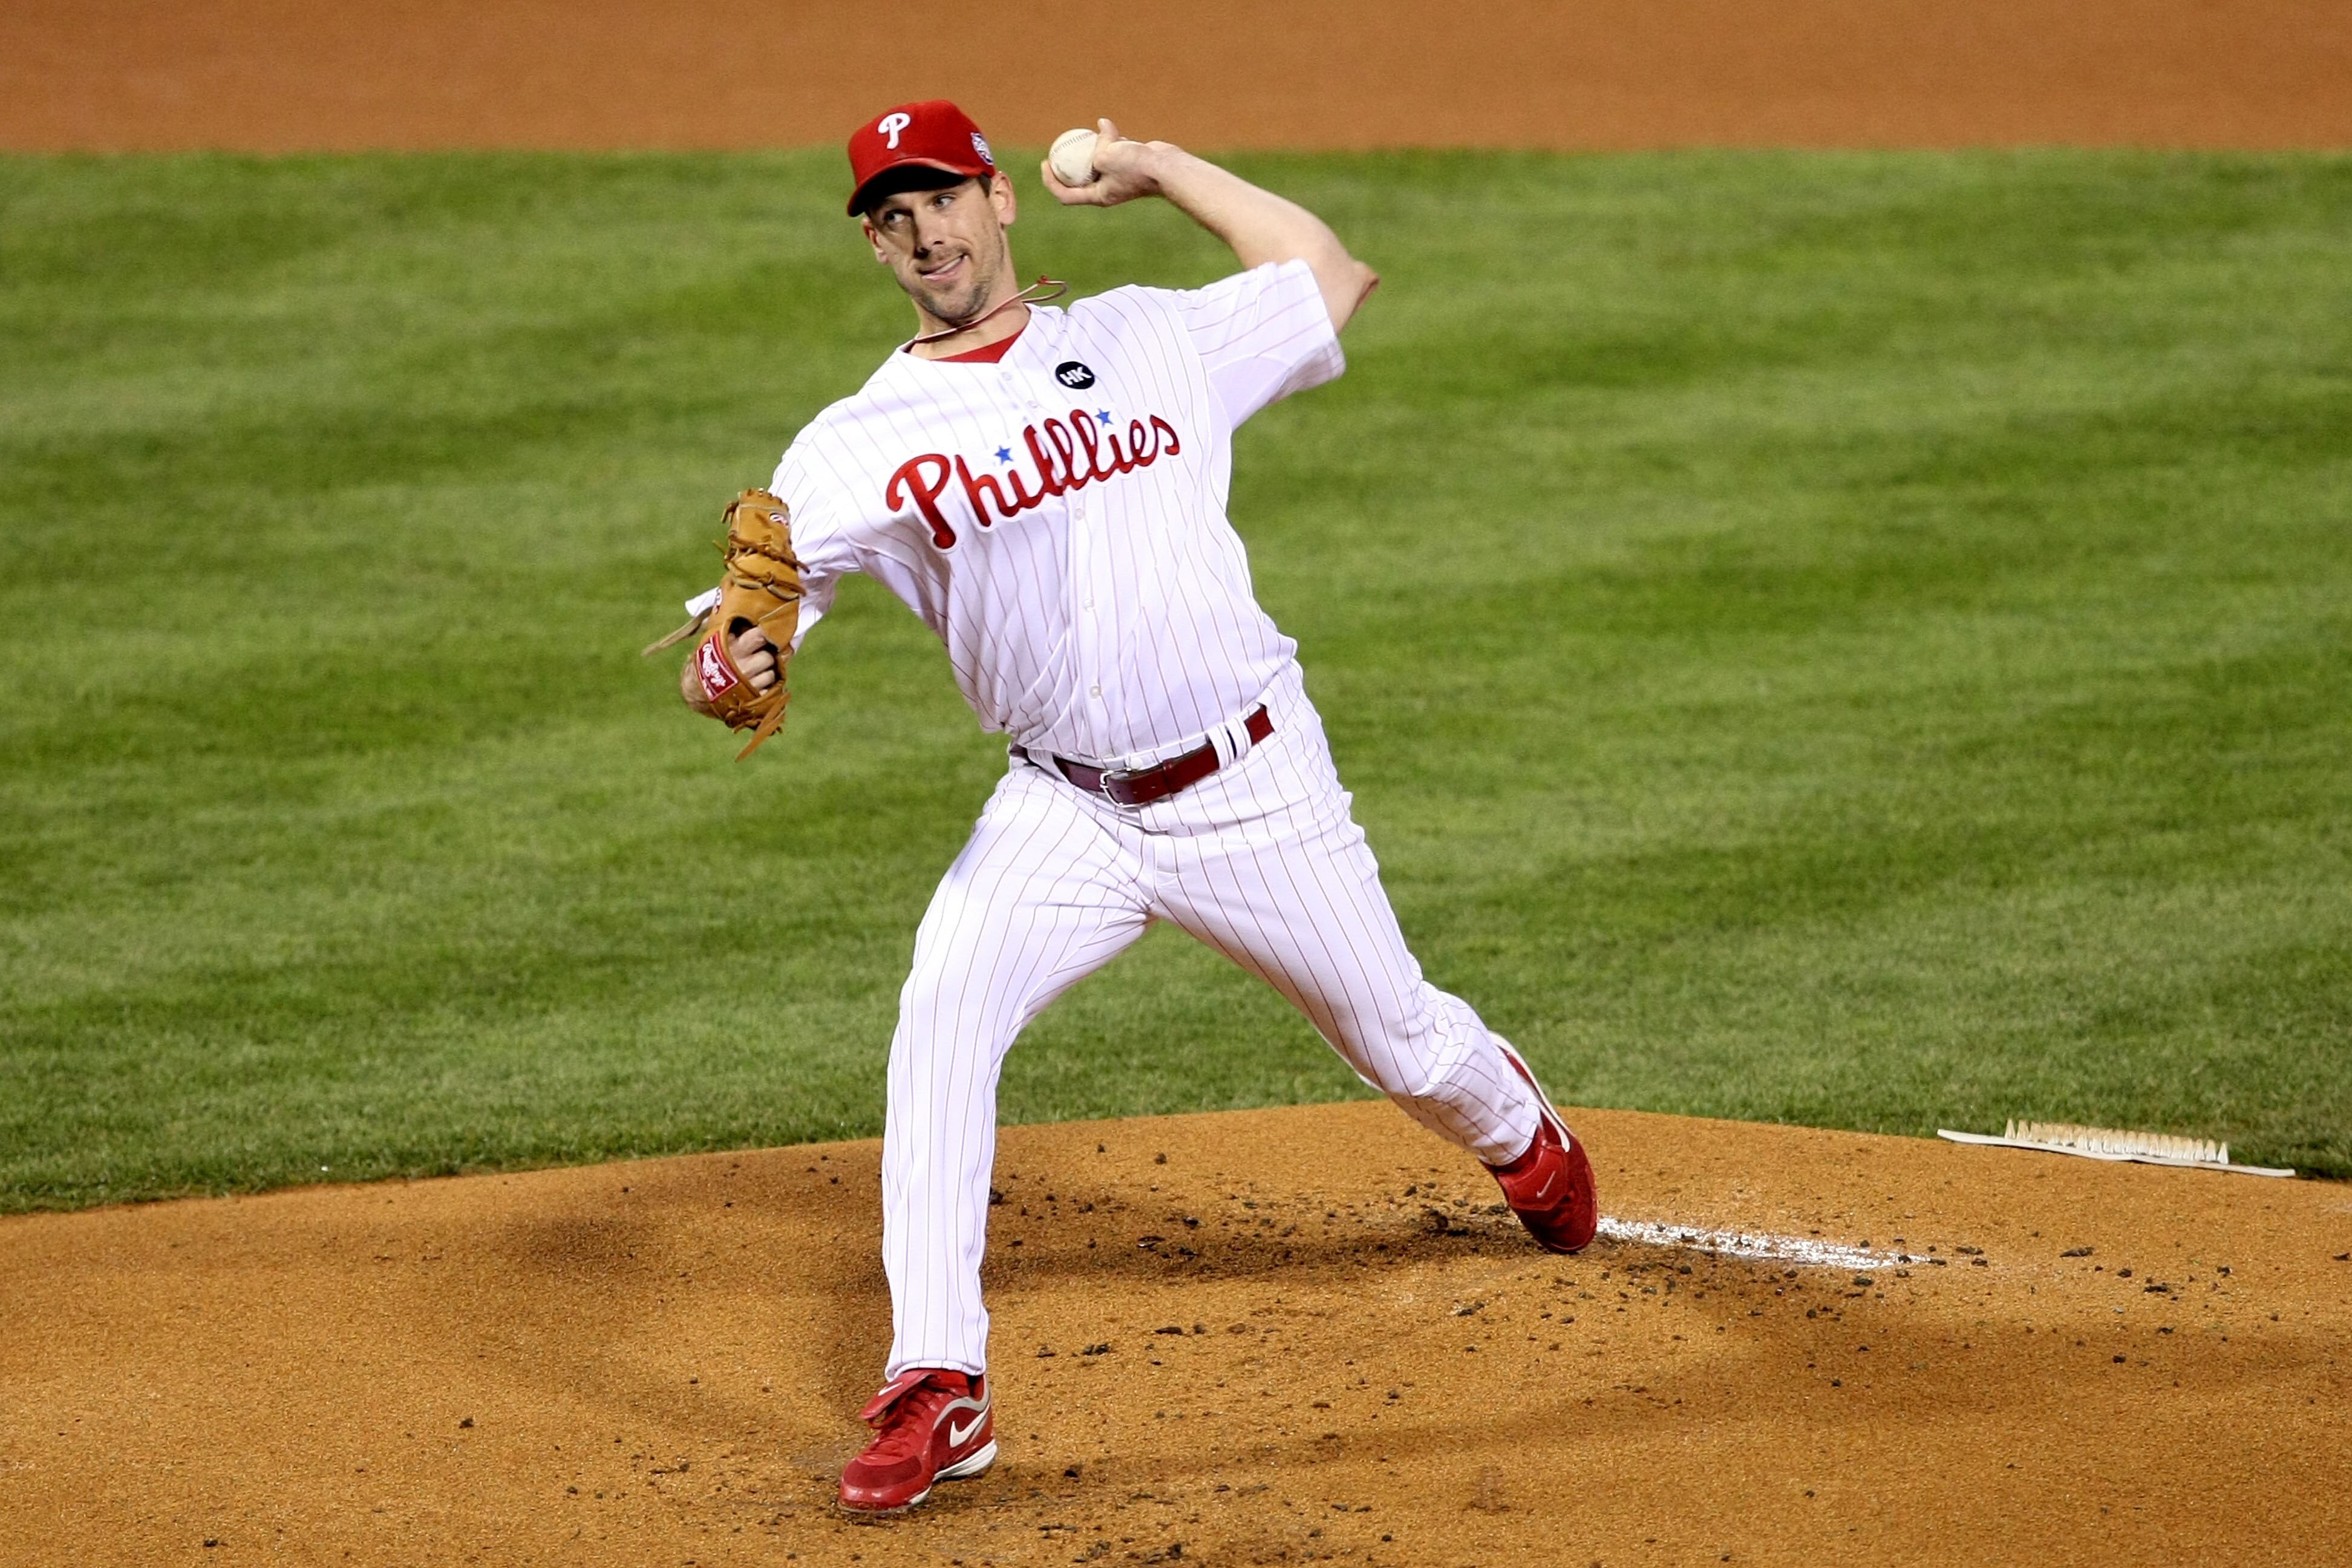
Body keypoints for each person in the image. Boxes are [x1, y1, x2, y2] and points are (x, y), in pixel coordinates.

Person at [678, 100, 1598, 1515]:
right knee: (941, 1017)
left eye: (943, 196)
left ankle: (1515, 1131)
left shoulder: (1154, 336)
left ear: (1002, 201)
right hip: (1065, 810)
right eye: (892, 213)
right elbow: (752, 622)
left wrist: (1159, 169)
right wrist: (728, 662)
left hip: (1251, 784)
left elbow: (1329, 274)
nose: (925, 230)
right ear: (875, 245)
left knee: (1401, 1037)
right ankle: (940, 1381)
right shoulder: (853, 444)